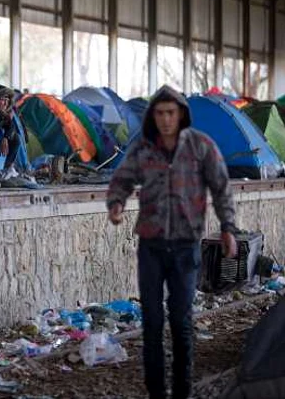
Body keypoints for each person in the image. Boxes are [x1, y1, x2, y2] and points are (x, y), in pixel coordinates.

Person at [106, 85, 238, 399]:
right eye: (160, 113)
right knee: (152, 323)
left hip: (185, 246)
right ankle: (156, 393)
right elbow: (122, 178)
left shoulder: (201, 147)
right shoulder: (143, 150)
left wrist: (228, 228)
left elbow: (221, 188)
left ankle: (182, 391)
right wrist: (116, 203)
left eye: (171, 112)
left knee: (181, 321)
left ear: (181, 115)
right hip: (151, 247)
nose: (165, 119)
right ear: (153, 116)